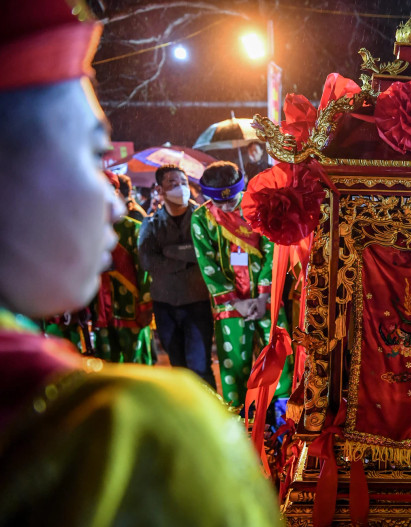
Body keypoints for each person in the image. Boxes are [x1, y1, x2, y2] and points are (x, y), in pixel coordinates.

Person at [0, 2, 282, 525]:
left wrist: (261, 294)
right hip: (203, 306)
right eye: (92, 154)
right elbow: (181, 259)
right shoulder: (138, 431)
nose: (114, 203)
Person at [191, 161, 292, 408]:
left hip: (265, 297)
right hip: (230, 302)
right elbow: (208, 264)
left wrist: (261, 297)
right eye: (219, 203)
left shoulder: (258, 207)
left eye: (232, 199)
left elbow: (273, 250)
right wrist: (237, 302)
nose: (227, 206)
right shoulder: (202, 219)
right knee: (233, 362)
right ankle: (238, 419)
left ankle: (281, 415)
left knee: (279, 354)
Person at [138, 165, 216, 388]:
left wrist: (170, 252)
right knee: (179, 368)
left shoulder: (204, 218)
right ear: (160, 190)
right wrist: (188, 256)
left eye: (182, 181)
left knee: (200, 366)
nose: (179, 186)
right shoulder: (151, 224)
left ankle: (211, 417)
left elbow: (208, 254)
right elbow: (148, 262)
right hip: (165, 306)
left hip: (197, 303)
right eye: (172, 182)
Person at [91, 170, 154, 364]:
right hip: (98, 309)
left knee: (136, 363)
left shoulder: (133, 228)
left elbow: (145, 269)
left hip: (130, 308)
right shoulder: (86, 229)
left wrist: (146, 305)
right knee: (106, 365)